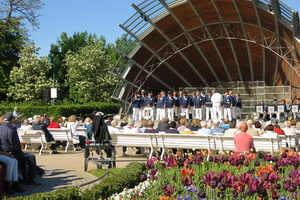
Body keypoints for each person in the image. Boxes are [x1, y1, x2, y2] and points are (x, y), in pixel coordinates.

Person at [0, 113, 40, 185]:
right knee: (31, 156)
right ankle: (31, 179)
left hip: (4, 151)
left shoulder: (1, 127)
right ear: (11, 120)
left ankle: (24, 178)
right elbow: (14, 146)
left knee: (24, 158)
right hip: (10, 152)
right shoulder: (11, 130)